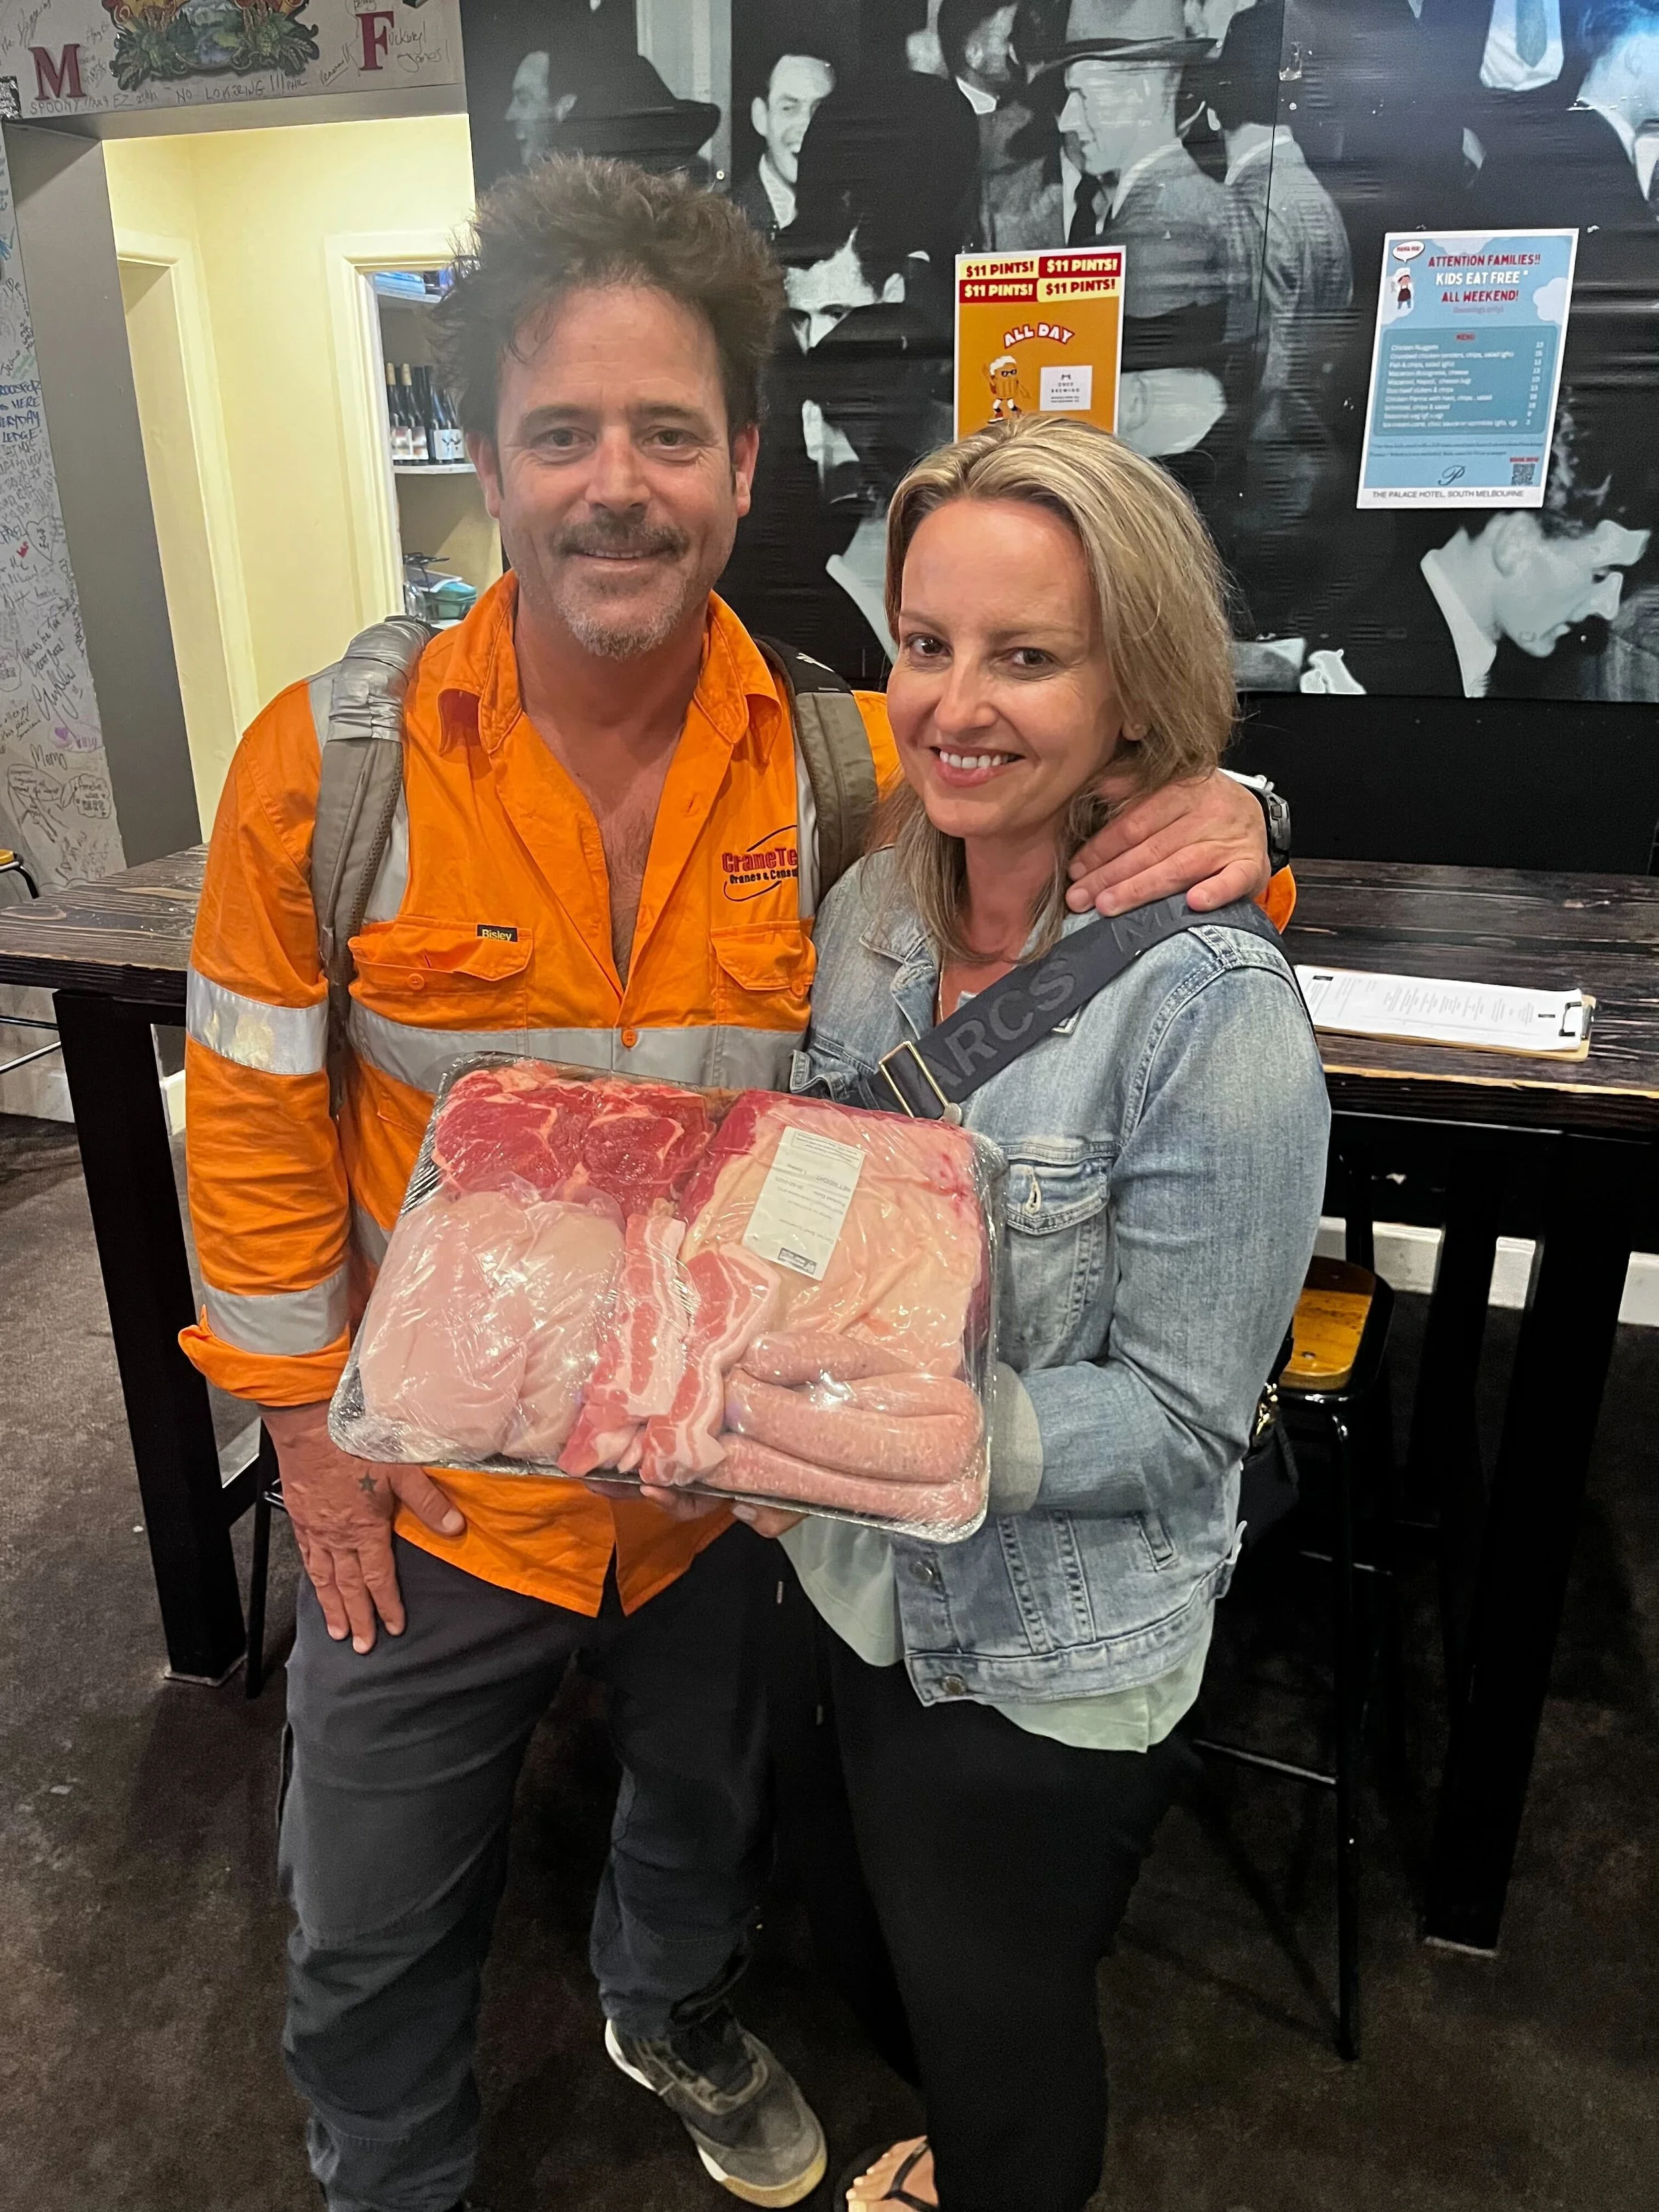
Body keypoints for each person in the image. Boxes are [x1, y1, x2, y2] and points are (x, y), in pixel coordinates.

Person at [182, 157, 1279, 2212]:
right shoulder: (326, 766)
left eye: (666, 433)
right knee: (364, 1904)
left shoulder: (817, 754)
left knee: (700, 1821)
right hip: (431, 1484)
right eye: (561, 432)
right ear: (487, 467)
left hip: (714, 1473)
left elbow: (1051, 798)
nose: (618, 483)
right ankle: (387, 2170)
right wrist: (295, 1431)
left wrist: (1236, 803)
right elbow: (242, 1116)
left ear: (740, 464)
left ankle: (663, 2008)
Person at [737, 414, 1327, 2212]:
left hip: (1041, 1647)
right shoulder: (869, 915)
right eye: (924, 644)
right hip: (838, 1577)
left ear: (1130, 692)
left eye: (1026, 655)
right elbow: (813, 1198)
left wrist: (930, 1432)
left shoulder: (1207, 1011)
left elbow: (1178, 1417)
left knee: (1006, 2057)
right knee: (876, 1956)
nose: (951, 703)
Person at [1301, 402, 1652, 696]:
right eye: (1600, 574)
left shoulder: (1432, 647)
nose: (1608, 609)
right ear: (1515, 544)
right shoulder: (1364, 676)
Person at [735, 49, 837, 238]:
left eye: (821, 110)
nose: (807, 125)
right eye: (789, 108)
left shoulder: (853, 217)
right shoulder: (724, 221)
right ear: (761, 117)